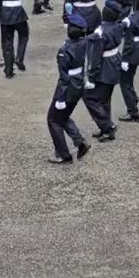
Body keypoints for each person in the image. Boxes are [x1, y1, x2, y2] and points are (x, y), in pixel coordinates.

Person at [46, 13, 95, 165]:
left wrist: (60, 98)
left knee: (53, 119)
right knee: (63, 116)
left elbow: (63, 77)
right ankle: (80, 143)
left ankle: (63, 155)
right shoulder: (84, 43)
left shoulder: (64, 50)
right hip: (79, 84)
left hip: (68, 88)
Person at [83, 0, 126, 142]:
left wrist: (91, 74)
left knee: (90, 98)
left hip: (105, 67)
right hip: (114, 62)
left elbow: (96, 57)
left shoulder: (101, 32)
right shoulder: (118, 25)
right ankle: (105, 127)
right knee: (104, 98)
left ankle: (107, 127)